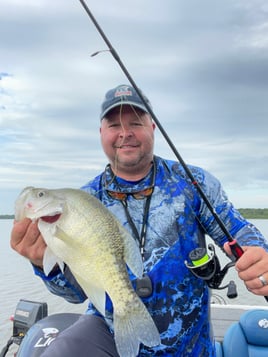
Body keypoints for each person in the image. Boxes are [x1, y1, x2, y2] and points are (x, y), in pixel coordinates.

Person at [11, 84, 268, 357]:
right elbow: (76, 294)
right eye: (114, 125)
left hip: (189, 344)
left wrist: (258, 253)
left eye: (135, 122)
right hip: (109, 331)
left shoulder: (194, 182)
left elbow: (237, 230)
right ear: (101, 133)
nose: (125, 133)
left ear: (152, 128)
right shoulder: (83, 201)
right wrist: (42, 264)